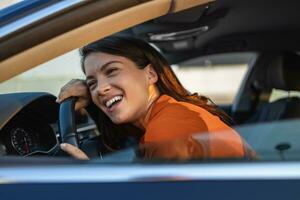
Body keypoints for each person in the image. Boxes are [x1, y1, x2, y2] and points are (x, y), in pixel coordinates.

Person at [57, 36, 252, 160]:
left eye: (112, 71)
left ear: (150, 74)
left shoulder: (167, 132)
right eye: (92, 83)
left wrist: (90, 178)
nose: (100, 89)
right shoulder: (170, 114)